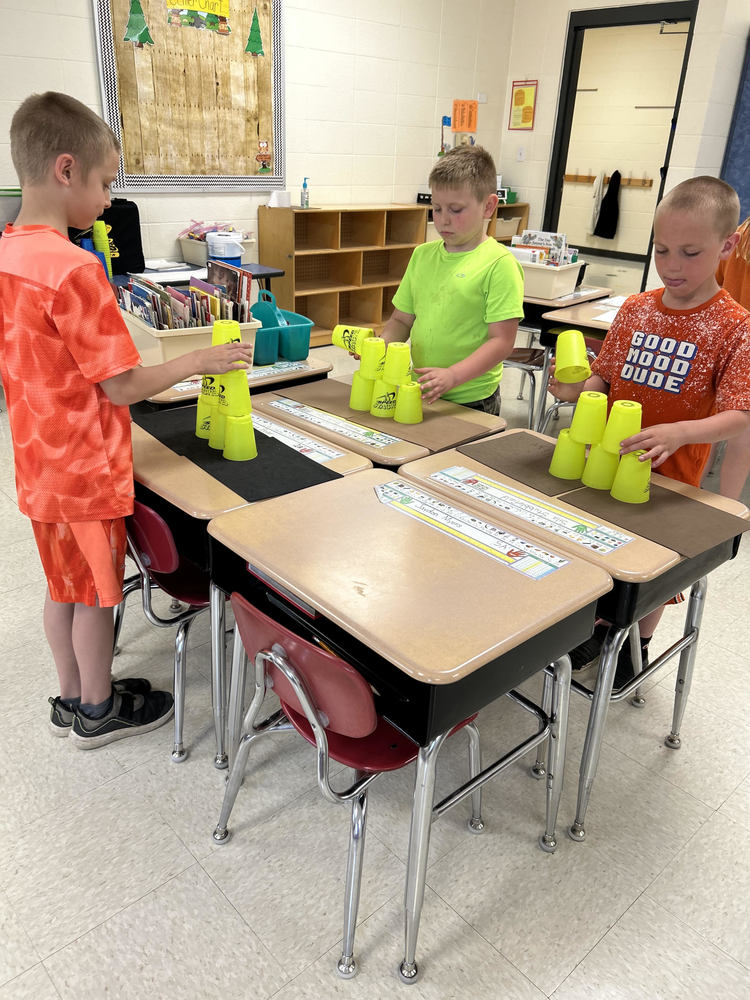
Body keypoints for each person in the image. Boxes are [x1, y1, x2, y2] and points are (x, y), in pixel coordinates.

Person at [0, 92, 254, 748]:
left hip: (37, 463)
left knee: (61, 587)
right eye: (106, 183)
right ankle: (97, 708)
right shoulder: (74, 267)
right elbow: (121, 385)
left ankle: (69, 694)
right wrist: (203, 358)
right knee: (95, 596)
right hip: (83, 471)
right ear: (65, 170)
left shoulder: (9, 252)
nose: (110, 199)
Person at [549, 175, 750, 685]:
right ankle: (598, 625)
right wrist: (576, 390)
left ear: (726, 247)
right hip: (604, 458)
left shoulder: (734, 326)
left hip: (672, 475)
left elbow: (741, 413)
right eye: (662, 249)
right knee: (599, 545)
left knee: (653, 573)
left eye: (690, 252)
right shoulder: (637, 308)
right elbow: (605, 374)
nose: (672, 265)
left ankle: (637, 643)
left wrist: (681, 433)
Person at [381, 145, 524, 415]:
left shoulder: (499, 265)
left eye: (456, 210)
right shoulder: (422, 255)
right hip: (423, 388)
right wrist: (382, 345)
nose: (443, 220)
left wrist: (453, 376)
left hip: (472, 399)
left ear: (489, 206)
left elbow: (502, 342)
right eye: (436, 208)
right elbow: (401, 320)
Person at [713, 217, 750, 499]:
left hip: (726, 335)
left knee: (711, 420)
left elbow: (715, 284)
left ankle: (691, 489)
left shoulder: (740, 234)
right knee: (742, 433)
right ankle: (728, 503)